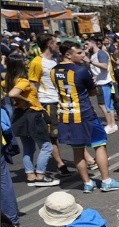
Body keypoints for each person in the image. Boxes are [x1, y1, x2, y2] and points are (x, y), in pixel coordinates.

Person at [50, 41, 119, 193]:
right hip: (85, 114)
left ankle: (87, 183)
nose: (83, 55)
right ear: (68, 55)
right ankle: (106, 181)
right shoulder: (81, 71)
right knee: (99, 144)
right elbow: (93, 92)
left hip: (66, 115)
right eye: (79, 53)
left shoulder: (53, 71)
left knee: (78, 150)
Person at [4, 53, 58, 187]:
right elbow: (12, 94)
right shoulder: (22, 81)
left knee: (28, 146)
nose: (27, 62)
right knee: (46, 146)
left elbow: (8, 92)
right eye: (24, 61)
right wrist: (26, 99)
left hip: (20, 115)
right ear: (19, 65)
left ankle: (30, 174)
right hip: (32, 114)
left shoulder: (9, 80)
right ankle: (40, 174)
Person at [27, 32, 69, 175]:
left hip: (59, 101)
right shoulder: (37, 62)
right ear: (50, 44)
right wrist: (36, 106)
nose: (58, 45)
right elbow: (32, 85)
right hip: (47, 102)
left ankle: (84, 159)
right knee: (53, 135)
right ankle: (60, 165)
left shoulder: (54, 61)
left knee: (67, 130)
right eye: (56, 43)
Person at [85, 37, 117, 135]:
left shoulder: (101, 53)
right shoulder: (93, 54)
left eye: (87, 44)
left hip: (103, 83)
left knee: (104, 104)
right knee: (106, 104)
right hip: (100, 82)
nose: (85, 46)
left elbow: (104, 66)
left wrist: (90, 61)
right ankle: (112, 124)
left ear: (92, 43)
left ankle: (110, 125)